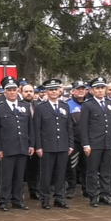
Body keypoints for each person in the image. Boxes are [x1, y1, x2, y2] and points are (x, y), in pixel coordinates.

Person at [0, 77, 34, 211]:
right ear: (5, 92)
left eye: (14, 90)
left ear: (18, 91)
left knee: (19, 176)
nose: (12, 92)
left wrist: (31, 144)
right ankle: (3, 201)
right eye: (9, 90)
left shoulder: (25, 106)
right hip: (7, 148)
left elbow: (30, 127)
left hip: (22, 146)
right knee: (6, 176)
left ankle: (17, 200)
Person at [80, 77, 111, 207]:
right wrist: (86, 144)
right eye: (97, 88)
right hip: (94, 143)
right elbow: (84, 126)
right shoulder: (88, 105)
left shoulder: (110, 104)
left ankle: (105, 195)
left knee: (106, 170)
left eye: (102, 88)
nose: (100, 90)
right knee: (92, 171)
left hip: (108, 142)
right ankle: (93, 196)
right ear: (92, 90)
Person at [33, 79, 73, 209]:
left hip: (62, 145)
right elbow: (37, 129)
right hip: (47, 146)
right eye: (51, 90)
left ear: (59, 91)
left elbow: (69, 127)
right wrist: (39, 146)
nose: (54, 92)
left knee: (61, 173)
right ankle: (45, 198)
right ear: (47, 91)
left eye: (55, 89)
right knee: (46, 174)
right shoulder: (41, 108)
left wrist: (70, 144)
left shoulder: (65, 106)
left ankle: (59, 197)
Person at [66, 81, 88, 198]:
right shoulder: (67, 105)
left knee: (87, 166)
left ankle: (86, 189)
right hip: (74, 141)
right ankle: (71, 188)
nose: (81, 91)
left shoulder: (89, 104)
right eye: (78, 89)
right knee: (72, 166)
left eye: (83, 89)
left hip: (87, 141)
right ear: (73, 91)